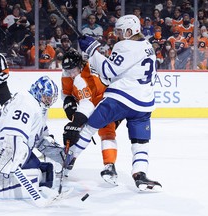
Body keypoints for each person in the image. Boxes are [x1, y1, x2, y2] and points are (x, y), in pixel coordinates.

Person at [64, 14, 162, 191]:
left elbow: (108, 71)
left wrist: (93, 51)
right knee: (140, 141)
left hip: (121, 99)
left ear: (130, 31)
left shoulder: (124, 45)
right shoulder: (147, 45)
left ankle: (69, 158)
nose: (117, 34)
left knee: (90, 126)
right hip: (144, 103)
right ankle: (140, 174)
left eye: (120, 31)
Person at [61, 50, 119, 185]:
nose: (71, 74)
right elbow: (66, 93)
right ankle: (69, 160)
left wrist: (76, 121)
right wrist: (68, 101)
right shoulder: (68, 74)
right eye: (68, 70)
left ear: (81, 65)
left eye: (73, 70)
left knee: (106, 132)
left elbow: (87, 104)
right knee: (81, 132)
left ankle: (109, 165)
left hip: (106, 101)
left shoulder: (84, 78)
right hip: (88, 102)